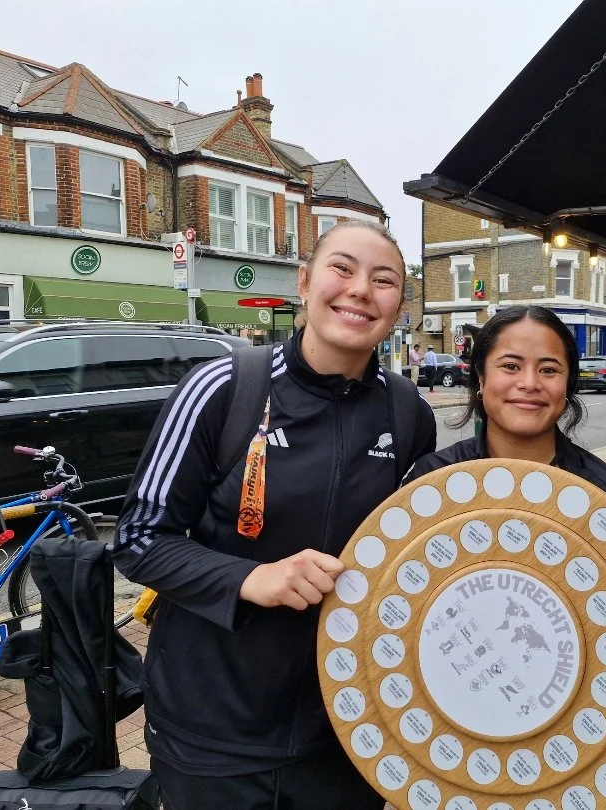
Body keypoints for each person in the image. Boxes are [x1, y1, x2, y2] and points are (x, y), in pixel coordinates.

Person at [113, 221, 436, 810]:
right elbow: (138, 538)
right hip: (213, 730)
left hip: (346, 731)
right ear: (305, 282)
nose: (360, 290)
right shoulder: (223, 388)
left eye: (384, 280)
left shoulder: (408, 412)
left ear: (399, 307)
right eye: (342, 269)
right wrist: (250, 578)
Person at [406, 305, 606, 533]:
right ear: (481, 377)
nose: (530, 383)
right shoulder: (430, 481)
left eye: (548, 370)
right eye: (511, 366)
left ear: (568, 383)